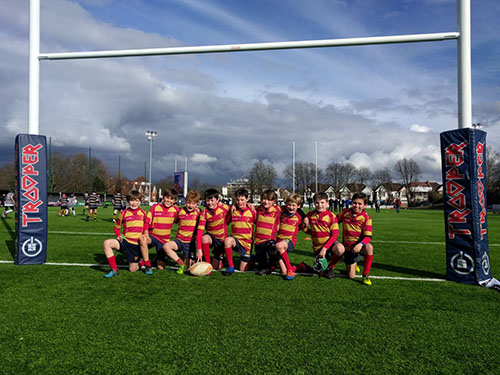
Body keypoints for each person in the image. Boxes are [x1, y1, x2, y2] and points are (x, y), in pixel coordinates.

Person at [328, 192, 374, 285]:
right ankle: (352, 262)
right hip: (347, 248)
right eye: (354, 203)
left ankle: (365, 275)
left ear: (365, 205)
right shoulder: (345, 213)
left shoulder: (367, 218)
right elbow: (334, 221)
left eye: (359, 204)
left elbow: (368, 236)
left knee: (369, 247)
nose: (356, 206)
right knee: (351, 276)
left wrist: (360, 244)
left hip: (358, 247)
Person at [102, 190, 147, 278]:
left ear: (140, 201)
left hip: (136, 244)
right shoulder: (123, 213)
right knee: (107, 243)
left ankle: (142, 261)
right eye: (132, 200)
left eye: (136, 200)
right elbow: (117, 227)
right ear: (128, 201)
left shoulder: (143, 213)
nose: (134, 203)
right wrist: (119, 235)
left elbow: (147, 228)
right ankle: (114, 270)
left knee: (132, 269)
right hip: (125, 240)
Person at [297, 192, 339, 277]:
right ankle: (305, 267)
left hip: (329, 244)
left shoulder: (331, 216)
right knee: (319, 272)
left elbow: (335, 235)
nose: (319, 205)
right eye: (317, 203)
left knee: (340, 249)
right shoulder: (310, 215)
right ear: (314, 203)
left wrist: (325, 248)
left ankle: (330, 268)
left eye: (322, 203)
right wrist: (304, 227)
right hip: (317, 247)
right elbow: (307, 230)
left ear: (327, 203)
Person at [139, 189, 179, 273]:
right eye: (167, 197)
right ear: (163, 197)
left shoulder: (176, 210)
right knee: (143, 239)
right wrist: (146, 232)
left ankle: (156, 259)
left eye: (171, 199)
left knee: (160, 267)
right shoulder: (155, 207)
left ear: (174, 201)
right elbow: (147, 221)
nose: (169, 200)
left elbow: (183, 219)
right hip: (153, 236)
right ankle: (145, 261)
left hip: (164, 241)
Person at [163, 190, 201, 274]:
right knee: (166, 246)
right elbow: (174, 218)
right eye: (188, 202)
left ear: (197, 204)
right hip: (179, 241)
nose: (190, 205)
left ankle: (188, 261)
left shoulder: (199, 213)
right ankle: (181, 263)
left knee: (189, 269)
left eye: (193, 203)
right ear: (185, 202)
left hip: (190, 243)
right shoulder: (179, 211)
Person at [222, 188, 257, 276]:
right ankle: (230, 266)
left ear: (247, 199)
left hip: (247, 243)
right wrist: (232, 206)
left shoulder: (252, 211)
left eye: (242, 200)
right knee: (228, 240)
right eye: (237, 200)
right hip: (236, 241)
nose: (239, 202)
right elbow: (226, 222)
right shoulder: (232, 211)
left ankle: (251, 259)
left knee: (242, 269)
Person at [196, 188, 230, 271]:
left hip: (222, 240)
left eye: (212, 200)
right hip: (211, 237)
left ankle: (219, 259)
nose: (210, 203)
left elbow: (236, 208)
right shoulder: (204, 213)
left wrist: (249, 205)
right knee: (204, 238)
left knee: (217, 267)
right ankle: (208, 264)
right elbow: (200, 232)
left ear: (218, 200)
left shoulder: (224, 208)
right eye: (208, 200)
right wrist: (199, 250)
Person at [275, 193, 306, 281]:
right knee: (283, 272)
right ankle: (299, 267)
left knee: (279, 246)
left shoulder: (299, 217)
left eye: (293, 205)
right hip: (279, 241)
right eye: (289, 204)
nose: (291, 207)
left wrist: (306, 219)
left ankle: (290, 269)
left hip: (290, 241)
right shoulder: (282, 213)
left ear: (298, 206)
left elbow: (304, 228)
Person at [253, 190, 281, 276]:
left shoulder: (277, 209)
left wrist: (304, 217)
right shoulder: (258, 209)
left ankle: (274, 263)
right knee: (261, 265)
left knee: (272, 250)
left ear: (274, 201)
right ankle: (258, 261)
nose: (266, 202)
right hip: (258, 240)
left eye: (269, 200)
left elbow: (293, 206)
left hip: (269, 239)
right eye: (264, 199)